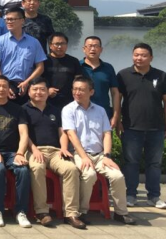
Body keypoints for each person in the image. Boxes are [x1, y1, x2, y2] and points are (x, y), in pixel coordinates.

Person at [63, 76, 135, 225]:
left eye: (81, 89)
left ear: (91, 92)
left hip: (100, 155)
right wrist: (84, 157)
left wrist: (107, 155)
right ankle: (82, 212)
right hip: (79, 154)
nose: (77, 92)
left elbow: (107, 134)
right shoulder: (68, 110)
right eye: (75, 89)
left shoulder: (100, 111)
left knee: (117, 176)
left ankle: (121, 213)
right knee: (89, 175)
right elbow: (71, 135)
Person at [116, 43, 166, 210]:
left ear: (151, 58)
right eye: (136, 55)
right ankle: (130, 195)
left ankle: (154, 196)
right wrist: (118, 120)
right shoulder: (123, 75)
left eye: (143, 55)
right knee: (131, 163)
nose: (139, 58)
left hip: (156, 128)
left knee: (154, 164)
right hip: (131, 128)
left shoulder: (161, 76)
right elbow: (117, 99)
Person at [24, 78, 84, 229]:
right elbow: (23, 135)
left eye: (42, 89)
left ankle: (71, 213)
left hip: (55, 151)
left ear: (47, 91)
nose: (39, 92)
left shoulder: (55, 110)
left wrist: (63, 148)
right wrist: (34, 149)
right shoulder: (23, 110)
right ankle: (42, 212)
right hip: (33, 150)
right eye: (35, 89)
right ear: (29, 92)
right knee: (37, 168)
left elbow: (62, 132)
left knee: (71, 169)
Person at [0, 76, 33, 228]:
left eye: (4, 86)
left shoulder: (18, 109)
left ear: (9, 89)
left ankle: (20, 212)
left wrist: (20, 153)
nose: (1, 89)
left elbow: (24, 133)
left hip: (12, 152)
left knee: (23, 170)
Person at [0, 7, 46, 103]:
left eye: (12, 19)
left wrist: (27, 82)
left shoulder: (34, 42)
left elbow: (40, 67)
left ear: (22, 21)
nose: (9, 22)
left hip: (26, 85)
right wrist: (4, 85)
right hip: (6, 86)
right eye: (7, 19)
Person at [80, 36, 119, 121]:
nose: (93, 49)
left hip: (103, 114)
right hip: (81, 114)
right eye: (90, 46)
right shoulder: (77, 66)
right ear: (84, 49)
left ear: (101, 49)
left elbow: (115, 93)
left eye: (96, 46)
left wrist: (115, 116)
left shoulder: (108, 68)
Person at [43, 32, 83, 109]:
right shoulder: (43, 61)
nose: (60, 46)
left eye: (63, 43)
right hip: (48, 101)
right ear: (50, 45)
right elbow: (38, 80)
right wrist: (46, 90)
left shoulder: (74, 61)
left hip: (69, 102)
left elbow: (79, 80)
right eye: (57, 44)